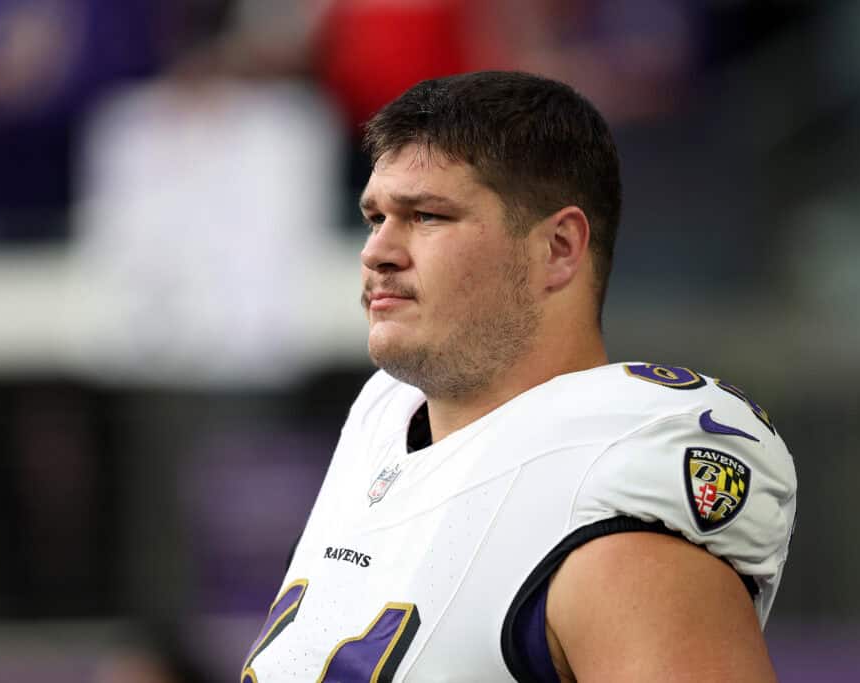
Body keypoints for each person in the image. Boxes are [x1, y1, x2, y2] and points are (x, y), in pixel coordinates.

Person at [241, 71, 796, 682]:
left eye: (426, 215)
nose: (377, 251)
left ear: (558, 247)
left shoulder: (611, 494)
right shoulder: (383, 420)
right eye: (376, 217)